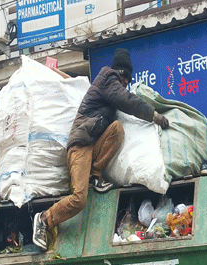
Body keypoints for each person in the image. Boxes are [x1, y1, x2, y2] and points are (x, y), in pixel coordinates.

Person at [32, 48, 170, 251]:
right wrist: (153, 115)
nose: (126, 85)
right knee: (79, 199)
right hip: (80, 145)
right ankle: (44, 219)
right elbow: (127, 100)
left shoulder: (110, 83)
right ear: (122, 74)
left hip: (93, 144)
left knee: (117, 129)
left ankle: (94, 176)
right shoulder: (108, 77)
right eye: (127, 80)